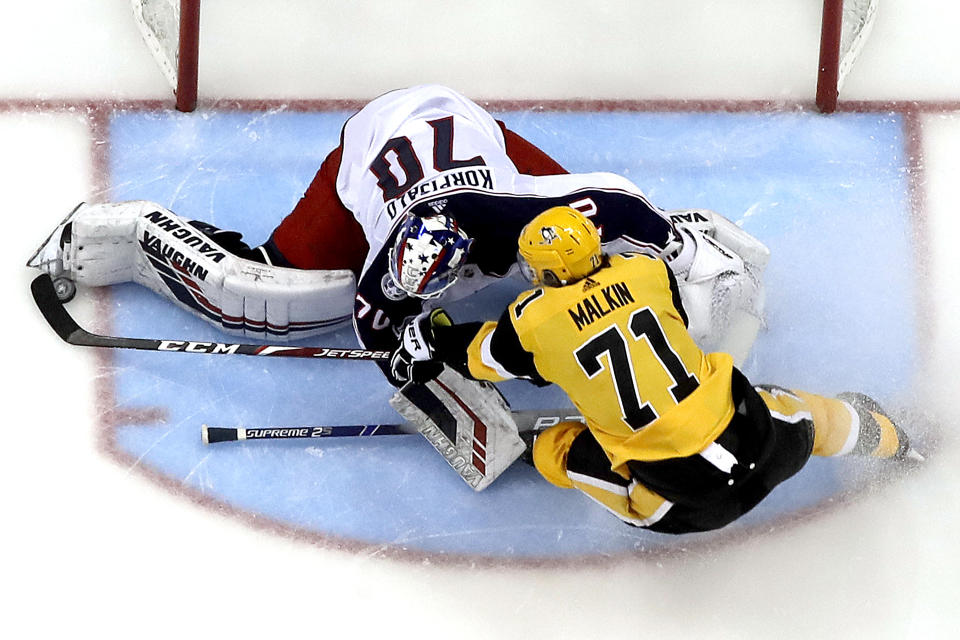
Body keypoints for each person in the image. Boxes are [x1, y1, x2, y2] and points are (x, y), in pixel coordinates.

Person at [27, 84, 768, 386]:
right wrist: (419, 357)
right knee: (256, 294)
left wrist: (688, 257)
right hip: (370, 149)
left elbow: (631, 208)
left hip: (476, 143)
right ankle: (124, 234)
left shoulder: (554, 209)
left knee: (600, 258)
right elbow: (385, 334)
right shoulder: (389, 261)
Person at [389, 206, 923, 532]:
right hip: (763, 446)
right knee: (812, 414)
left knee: (562, 451)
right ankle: (899, 442)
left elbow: (485, 358)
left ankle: (537, 451)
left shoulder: (533, 320)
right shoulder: (643, 269)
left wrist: (432, 336)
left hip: (679, 505)